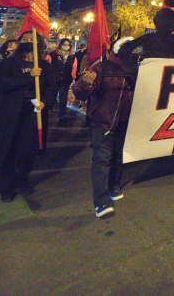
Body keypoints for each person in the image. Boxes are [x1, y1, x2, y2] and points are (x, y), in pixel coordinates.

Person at [0, 31, 56, 202]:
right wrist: (28, 77)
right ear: (18, 42)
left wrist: (45, 102)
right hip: (8, 113)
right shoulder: (8, 63)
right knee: (7, 150)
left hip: (33, 113)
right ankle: (6, 186)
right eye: (25, 39)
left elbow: (51, 87)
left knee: (27, 150)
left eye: (32, 39)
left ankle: (22, 179)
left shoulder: (44, 66)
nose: (28, 41)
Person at [72, 37, 135, 218]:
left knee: (118, 157)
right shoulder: (101, 68)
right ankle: (101, 201)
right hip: (103, 122)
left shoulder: (137, 70)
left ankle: (114, 185)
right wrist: (85, 84)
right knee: (102, 160)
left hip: (126, 122)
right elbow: (80, 92)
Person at [49, 38, 78, 123]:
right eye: (64, 44)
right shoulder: (52, 55)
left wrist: (73, 78)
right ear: (60, 45)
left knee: (63, 98)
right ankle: (48, 113)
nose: (66, 46)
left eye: (67, 45)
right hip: (53, 80)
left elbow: (74, 68)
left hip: (66, 80)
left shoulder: (72, 57)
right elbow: (48, 66)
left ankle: (62, 115)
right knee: (51, 97)